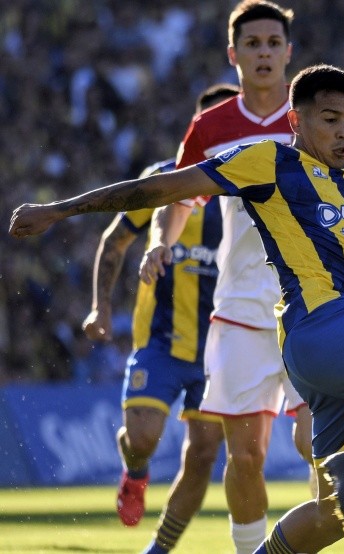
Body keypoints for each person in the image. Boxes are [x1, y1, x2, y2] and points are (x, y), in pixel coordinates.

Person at [9, 63, 344, 553]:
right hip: (319, 323)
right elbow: (161, 186)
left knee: (337, 514)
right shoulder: (269, 161)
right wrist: (59, 209)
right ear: (295, 119)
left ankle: (330, 493)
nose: (343, 132)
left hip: (343, 353)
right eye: (329, 119)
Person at [139, 3, 344, 551]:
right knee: (245, 454)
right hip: (240, 310)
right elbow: (179, 195)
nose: (264, 52)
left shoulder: (323, 119)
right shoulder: (210, 127)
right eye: (253, 43)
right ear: (233, 53)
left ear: (289, 53)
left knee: (318, 444)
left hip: (319, 308)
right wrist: (159, 243)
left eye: (273, 42)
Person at [81, 83, 240, 553]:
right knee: (143, 438)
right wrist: (101, 305)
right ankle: (135, 469)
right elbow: (115, 241)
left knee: (204, 454)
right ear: (200, 127)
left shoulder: (253, 187)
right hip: (161, 343)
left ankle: (160, 549)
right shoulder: (165, 179)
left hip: (221, 348)